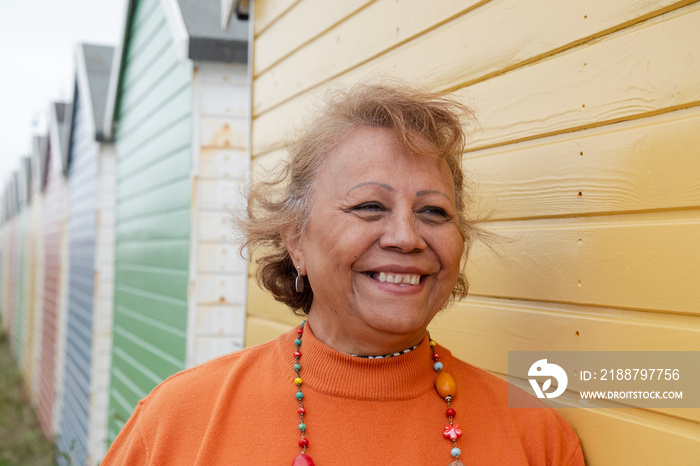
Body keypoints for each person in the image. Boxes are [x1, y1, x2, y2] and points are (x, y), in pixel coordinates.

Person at [102, 82, 585, 465]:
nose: (406, 236)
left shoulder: (534, 437)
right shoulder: (180, 419)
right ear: (295, 241)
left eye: (434, 212)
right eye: (370, 206)